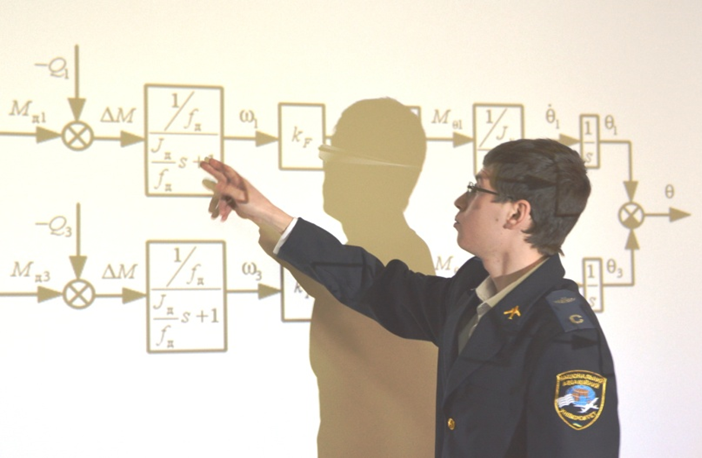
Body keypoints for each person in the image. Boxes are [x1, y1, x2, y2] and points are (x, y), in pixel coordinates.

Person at [202, 133, 620, 457]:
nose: (461, 200)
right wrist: (267, 213)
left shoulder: (565, 339)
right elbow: (377, 287)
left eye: (478, 189)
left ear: (516, 213)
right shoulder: (473, 290)